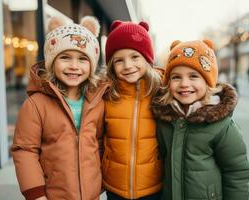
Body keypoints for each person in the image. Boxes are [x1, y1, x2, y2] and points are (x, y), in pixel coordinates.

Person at [11, 16, 106, 200]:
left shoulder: (97, 102)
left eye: (82, 59)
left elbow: (101, 143)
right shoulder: (36, 104)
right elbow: (25, 150)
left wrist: (100, 181)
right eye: (65, 57)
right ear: (51, 62)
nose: (74, 66)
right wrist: (35, 193)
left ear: (92, 65)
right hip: (52, 195)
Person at [152, 39, 249, 200]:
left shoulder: (221, 125)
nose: (184, 84)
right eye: (176, 77)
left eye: (193, 76)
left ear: (208, 82)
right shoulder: (164, 120)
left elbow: (236, 172)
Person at [102, 20, 163, 200]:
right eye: (119, 60)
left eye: (135, 57)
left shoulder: (161, 93)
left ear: (147, 58)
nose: (128, 65)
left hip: (152, 187)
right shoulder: (106, 95)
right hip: (115, 188)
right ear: (111, 65)